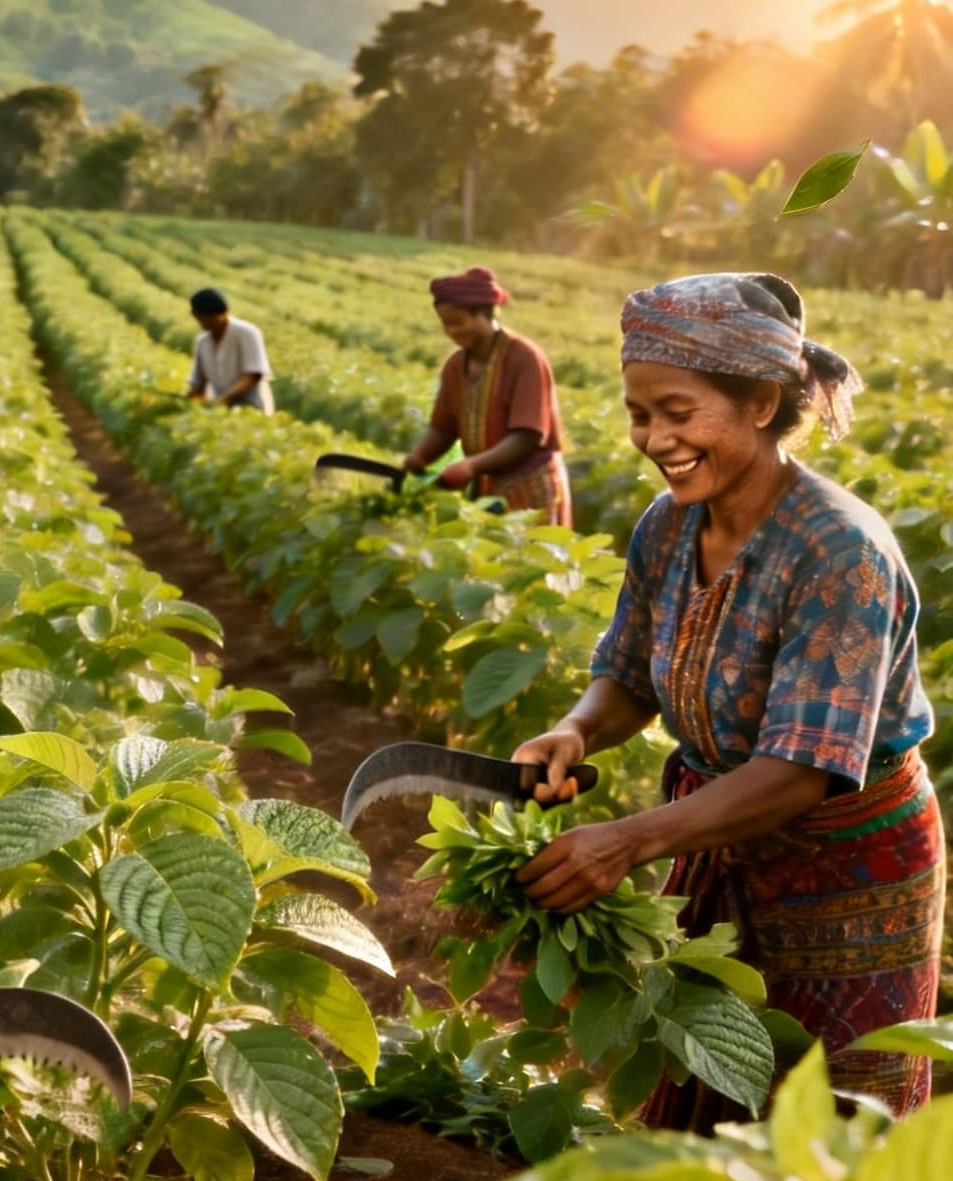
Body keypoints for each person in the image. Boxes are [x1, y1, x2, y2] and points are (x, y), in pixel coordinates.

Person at [510, 271, 944, 1126]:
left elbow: (802, 769)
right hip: (718, 838)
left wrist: (627, 840)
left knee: (831, 1115)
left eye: (678, 412)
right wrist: (576, 730)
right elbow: (628, 676)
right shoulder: (668, 524)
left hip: (847, 871)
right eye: (640, 415)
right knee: (713, 1087)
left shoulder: (839, 551)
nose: (654, 439)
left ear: (760, 403)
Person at [403, 266, 571, 526]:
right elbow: (444, 428)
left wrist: (470, 466)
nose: (452, 331)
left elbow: (527, 436)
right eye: (446, 324)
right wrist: (419, 457)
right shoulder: (455, 366)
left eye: (458, 322)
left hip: (530, 486)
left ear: (485, 314)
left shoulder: (524, 358)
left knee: (531, 550)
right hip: (487, 487)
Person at [186, 287, 275, 413]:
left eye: (214, 317)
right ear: (195, 315)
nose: (208, 321)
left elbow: (253, 375)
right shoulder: (203, 342)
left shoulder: (247, 333)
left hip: (252, 409)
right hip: (220, 411)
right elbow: (198, 384)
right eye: (203, 317)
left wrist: (223, 400)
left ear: (225, 313)